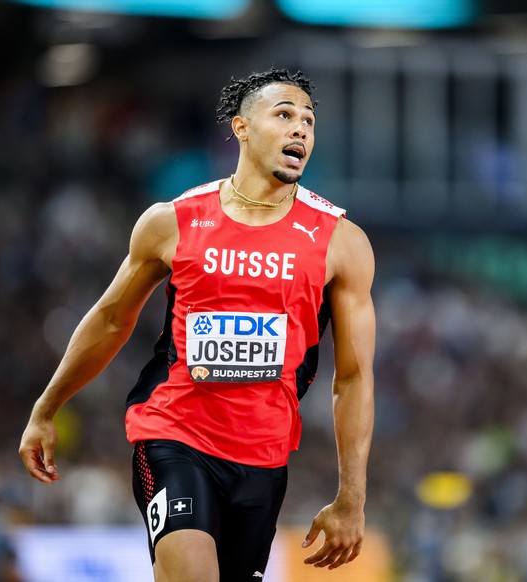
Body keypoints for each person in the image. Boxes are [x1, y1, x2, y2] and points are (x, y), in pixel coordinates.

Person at [19, 67, 376, 581]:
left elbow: (355, 377)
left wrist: (351, 498)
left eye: (309, 121)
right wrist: (45, 408)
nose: (301, 129)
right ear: (242, 128)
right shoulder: (173, 222)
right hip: (173, 434)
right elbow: (112, 318)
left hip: (264, 458)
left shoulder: (341, 243)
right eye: (284, 115)